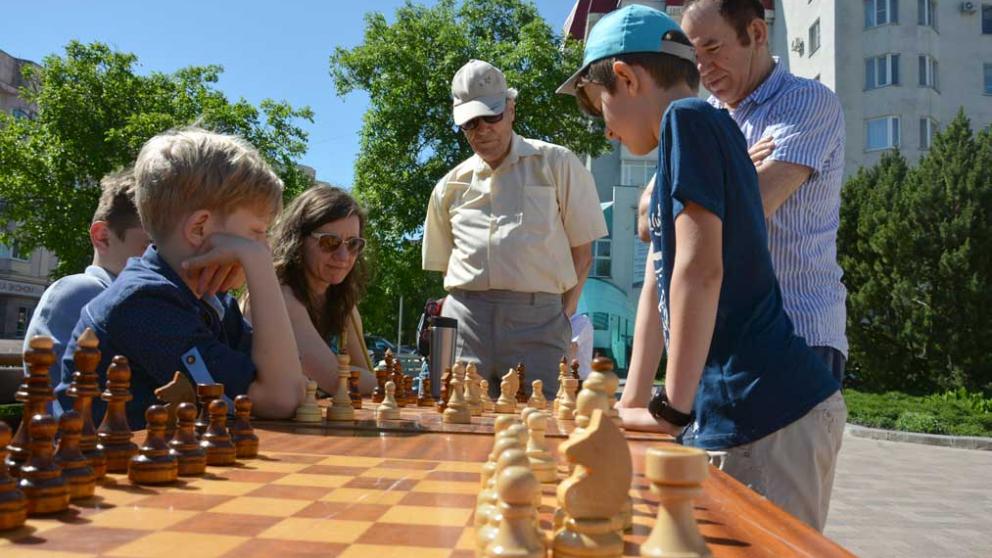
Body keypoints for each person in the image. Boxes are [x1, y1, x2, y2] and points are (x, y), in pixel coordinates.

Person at [558, 5, 845, 531]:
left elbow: (704, 262)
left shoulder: (701, 118)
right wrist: (635, 401)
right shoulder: (699, 121)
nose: (606, 133)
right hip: (723, 382)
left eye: (602, 110)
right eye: (695, 53)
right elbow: (658, 254)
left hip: (779, 377)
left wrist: (670, 408)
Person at [56, 127, 307, 429]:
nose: (265, 248)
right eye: (256, 233)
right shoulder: (144, 303)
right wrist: (259, 266)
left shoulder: (212, 302)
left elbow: (292, 386)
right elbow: (280, 399)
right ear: (200, 228)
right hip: (103, 472)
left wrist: (254, 257)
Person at [682, 0, 847, 383]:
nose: (703, 71)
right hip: (722, 341)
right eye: (695, 56)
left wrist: (709, 173)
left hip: (797, 334)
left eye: (713, 49)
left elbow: (749, 212)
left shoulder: (806, 102)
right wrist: (737, 166)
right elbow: (649, 217)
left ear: (756, 34)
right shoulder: (708, 115)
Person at [422, 59, 607, 397]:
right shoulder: (448, 187)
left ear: (510, 109)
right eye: (469, 122)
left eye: (491, 116)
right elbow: (445, 267)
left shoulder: (558, 164)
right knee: (460, 436)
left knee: (539, 432)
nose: (482, 129)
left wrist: (562, 320)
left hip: (541, 325)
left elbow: (583, 255)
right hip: (466, 325)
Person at [25, 167, 149, 402]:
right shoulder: (81, 292)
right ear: (103, 236)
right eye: (149, 245)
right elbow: (60, 404)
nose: (158, 258)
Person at [248, 185, 376, 395]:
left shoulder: (343, 306)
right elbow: (336, 379)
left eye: (353, 244)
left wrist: (374, 382)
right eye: (329, 242)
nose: (344, 257)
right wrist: (391, 385)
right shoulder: (278, 295)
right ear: (298, 240)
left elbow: (364, 376)